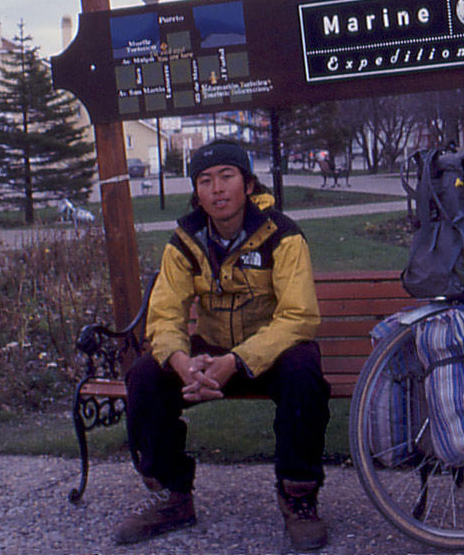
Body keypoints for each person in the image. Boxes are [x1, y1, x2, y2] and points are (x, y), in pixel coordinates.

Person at [115, 139, 331, 550]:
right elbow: (165, 317)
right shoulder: (184, 242)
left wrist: (238, 360)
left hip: (272, 353)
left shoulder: (283, 236)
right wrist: (182, 363)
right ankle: (172, 496)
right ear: (196, 192)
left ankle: (298, 497)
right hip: (210, 353)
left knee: (305, 373)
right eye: (206, 181)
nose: (217, 189)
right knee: (145, 375)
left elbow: (299, 317)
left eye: (227, 177)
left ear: (248, 185)